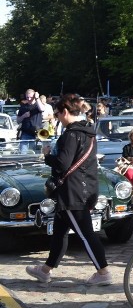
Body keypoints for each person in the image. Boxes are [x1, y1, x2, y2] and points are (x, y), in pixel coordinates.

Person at [25, 94, 112, 286]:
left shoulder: (72, 134)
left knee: (86, 234)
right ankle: (45, 271)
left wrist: (47, 156)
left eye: (57, 114)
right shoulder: (88, 131)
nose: (57, 118)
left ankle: (103, 271)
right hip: (84, 188)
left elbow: (63, 164)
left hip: (73, 193)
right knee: (59, 232)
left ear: (65, 112)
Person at [16, 89, 44, 153]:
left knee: (34, 153)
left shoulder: (38, 105)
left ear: (34, 96)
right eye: (27, 97)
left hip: (37, 133)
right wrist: (24, 116)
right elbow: (18, 121)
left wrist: (37, 98)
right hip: (25, 133)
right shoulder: (23, 107)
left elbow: (42, 109)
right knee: (23, 153)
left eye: (31, 97)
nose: (29, 99)